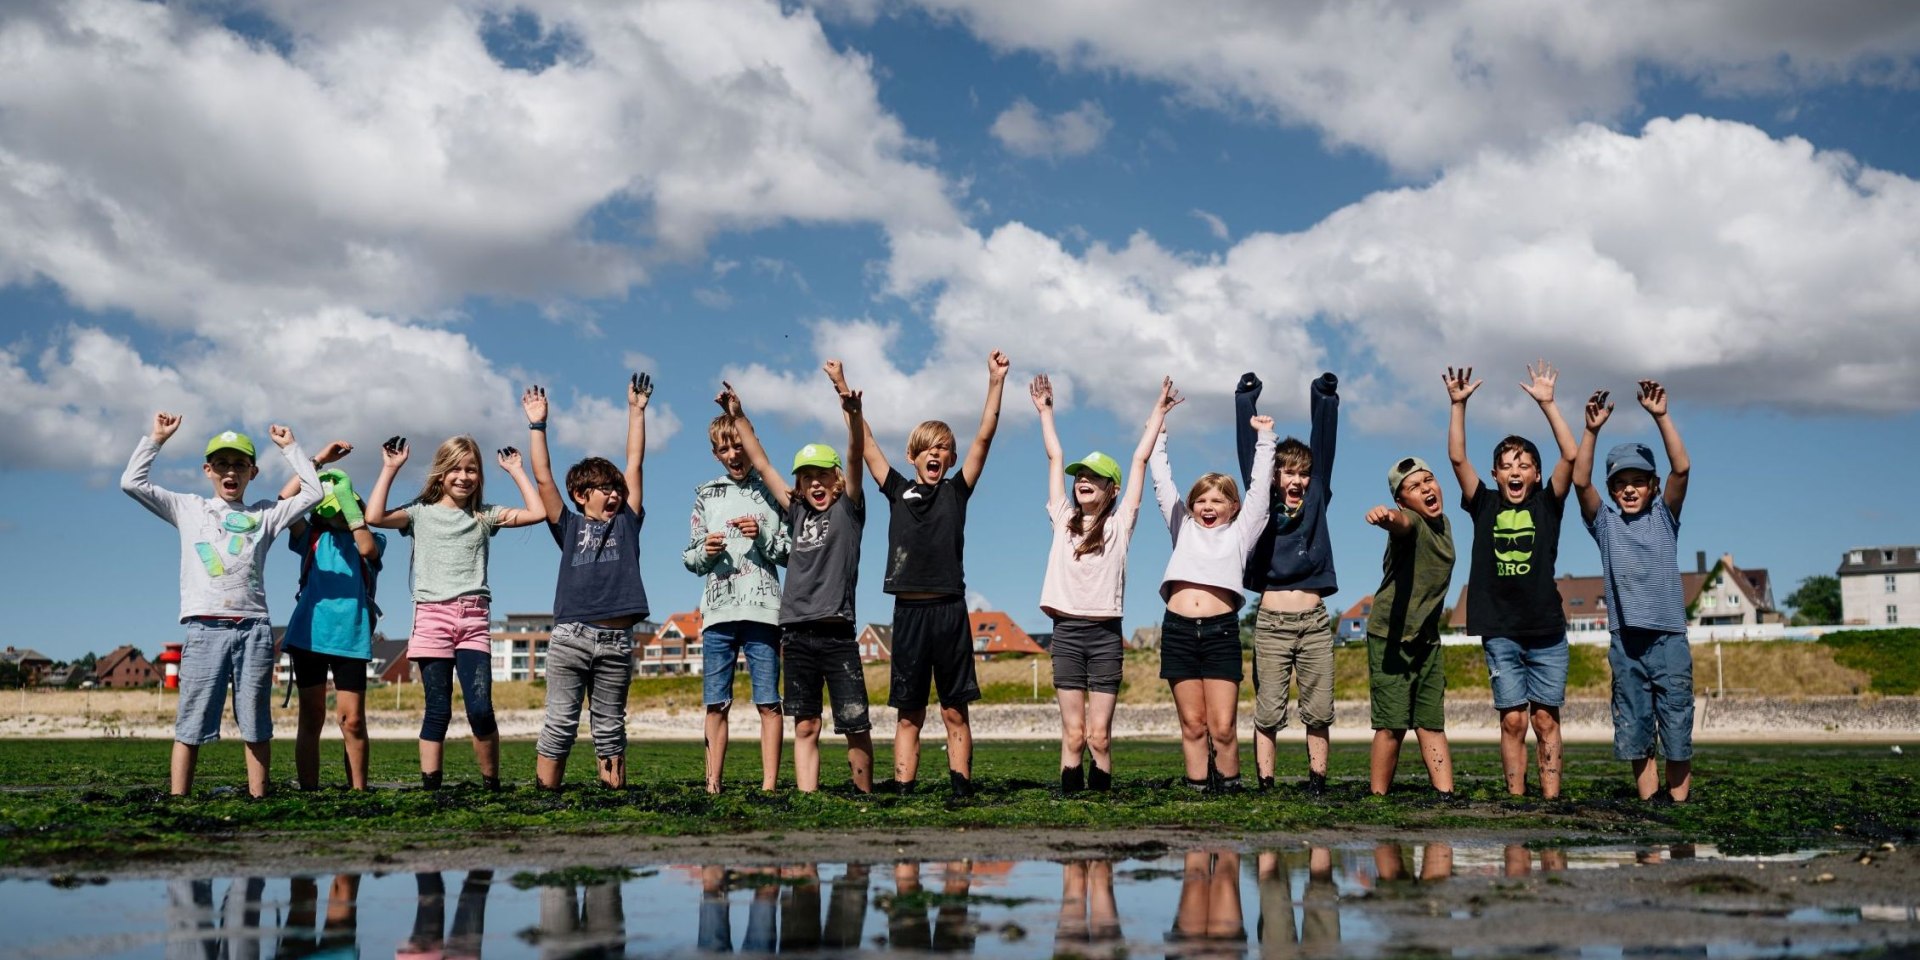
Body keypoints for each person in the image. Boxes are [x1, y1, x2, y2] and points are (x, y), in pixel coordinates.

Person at [122, 416, 322, 797]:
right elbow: (132, 482)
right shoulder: (188, 508)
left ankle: (258, 798)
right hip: (204, 628)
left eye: (240, 464)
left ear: (252, 471)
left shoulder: (264, 513)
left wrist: (291, 448)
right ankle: (179, 799)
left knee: (256, 722)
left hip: (254, 629)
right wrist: (156, 439)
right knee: (191, 722)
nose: (231, 471)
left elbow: (312, 493)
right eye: (222, 464)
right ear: (208, 470)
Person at [856, 351, 1011, 797]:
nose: (936, 454)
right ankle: (905, 787)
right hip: (908, 614)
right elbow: (866, 446)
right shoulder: (896, 490)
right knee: (909, 712)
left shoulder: (956, 492)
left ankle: (961, 786)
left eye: (943, 449)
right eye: (928, 448)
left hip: (949, 612)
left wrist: (995, 381)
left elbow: (984, 437)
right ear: (912, 455)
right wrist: (848, 401)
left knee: (954, 710)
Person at [723, 361, 872, 793]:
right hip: (796, 635)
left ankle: (864, 794)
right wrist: (738, 416)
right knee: (805, 725)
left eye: (823, 476)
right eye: (807, 479)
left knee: (854, 723)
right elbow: (762, 461)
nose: (815, 484)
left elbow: (856, 454)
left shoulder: (849, 508)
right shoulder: (797, 512)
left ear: (837, 480)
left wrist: (851, 408)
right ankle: (809, 799)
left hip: (837, 633)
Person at [366, 434, 547, 790]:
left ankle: (491, 783)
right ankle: (431, 786)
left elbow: (538, 512)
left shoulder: (484, 515)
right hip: (432, 617)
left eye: (472, 469)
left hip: (473, 619)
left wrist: (516, 471)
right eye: (455, 469)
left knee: (480, 708)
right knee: (438, 710)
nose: (463, 476)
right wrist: (389, 468)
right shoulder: (419, 513)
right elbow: (374, 516)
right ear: (440, 474)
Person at [1031, 373, 1179, 793]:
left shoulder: (1120, 525)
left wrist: (1159, 410)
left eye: (1094, 477)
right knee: (1073, 735)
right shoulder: (1062, 519)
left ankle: (1101, 806)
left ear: (1110, 489)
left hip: (1105, 636)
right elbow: (1055, 457)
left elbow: (1138, 460)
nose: (1083, 481)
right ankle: (1070, 805)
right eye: (1081, 477)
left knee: (1099, 736)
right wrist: (1045, 412)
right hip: (1067, 632)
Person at [1446, 362, 1578, 800]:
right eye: (1506, 466)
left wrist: (1548, 405)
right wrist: (1458, 405)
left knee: (1545, 719)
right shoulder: (1482, 504)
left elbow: (1571, 456)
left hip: (1546, 629)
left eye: (1523, 465)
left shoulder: (1549, 504)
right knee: (1513, 721)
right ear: (1497, 475)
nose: (1515, 472)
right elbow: (1458, 458)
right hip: (1501, 630)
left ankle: (1551, 800)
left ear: (1535, 475)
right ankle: (1518, 801)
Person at [523, 374, 654, 790]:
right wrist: (537, 426)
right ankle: (546, 796)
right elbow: (544, 479)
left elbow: (634, 463)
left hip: (617, 641)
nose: (613, 494)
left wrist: (636, 412)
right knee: (560, 723)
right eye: (603, 488)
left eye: (616, 488)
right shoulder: (568, 525)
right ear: (581, 494)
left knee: (610, 728)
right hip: (570, 637)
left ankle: (613, 797)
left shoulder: (627, 524)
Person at [1573, 380, 1695, 803]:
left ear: (1652, 486)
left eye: (1638, 481)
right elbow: (1580, 482)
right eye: (1620, 482)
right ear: (1612, 490)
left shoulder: (1665, 518)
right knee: (1635, 727)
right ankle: (1649, 804)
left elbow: (1682, 468)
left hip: (1668, 639)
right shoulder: (1604, 525)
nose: (1629, 488)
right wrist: (1591, 431)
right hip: (1625, 644)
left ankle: (1679, 805)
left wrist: (1660, 416)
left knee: (1677, 723)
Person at [1151, 404, 1276, 794]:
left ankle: (1231, 788)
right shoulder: (1181, 526)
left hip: (1221, 632)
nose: (1208, 507)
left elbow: (1260, 490)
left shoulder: (1241, 532)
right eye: (1201, 500)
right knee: (1193, 725)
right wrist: (1159, 431)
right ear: (1191, 506)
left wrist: (1265, 439)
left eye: (1218, 501)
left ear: (1233, 508)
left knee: (1222, 727)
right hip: (1178, 631)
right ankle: (1196, 790)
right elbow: (1160, 479)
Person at [1236, 370, 1341, 796]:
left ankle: (1317, 782)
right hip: (1272, 623)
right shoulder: (1261, 501)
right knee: (1268, 710)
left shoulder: (1317, 495)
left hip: (1315, 622)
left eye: (1303, 474)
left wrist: (1324, 397)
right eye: (1288, 473)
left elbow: (1325, 443)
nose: (1296, 480)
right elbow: (1250, 457)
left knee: (1318, 710)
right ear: (1276, 477)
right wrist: (1246, 402)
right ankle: (1265, 784)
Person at [683, 397, 791, 793]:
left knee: (768, 702)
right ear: (715, 454)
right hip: (718, 614)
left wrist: (761, 535)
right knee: (716, 702)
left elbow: (790, 551)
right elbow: (690, 558)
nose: (733, 454)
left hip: (764, 611)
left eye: (738, 445)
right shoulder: (705, 495)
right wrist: (706, 553)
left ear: (749, 445)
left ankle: (769, 786)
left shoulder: (773, 492)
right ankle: (712, 784)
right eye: (724, 449)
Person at [278, 441, 384, 791]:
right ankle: (309, 788)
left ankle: (359, 790)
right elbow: (283, 502)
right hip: (309, 637)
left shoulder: (368, 537)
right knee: (312, 717)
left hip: (350, 637)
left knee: (351, 720)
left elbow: (368, 549)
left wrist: (354, 511)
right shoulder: (311, 536)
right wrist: (319, 462)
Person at [1363, 456, 1457, 798]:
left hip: (1427, 639)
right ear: (1402, 501)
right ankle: (1378, 799)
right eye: (1414, 487)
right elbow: (1401, 525)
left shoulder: (1444, 524)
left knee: (1431, 722)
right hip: (1391, 637)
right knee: (1392, 725)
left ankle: (1446, 795)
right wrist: (1387, 518)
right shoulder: (1412, 522)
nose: (1426, 488)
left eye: (1429, 480)